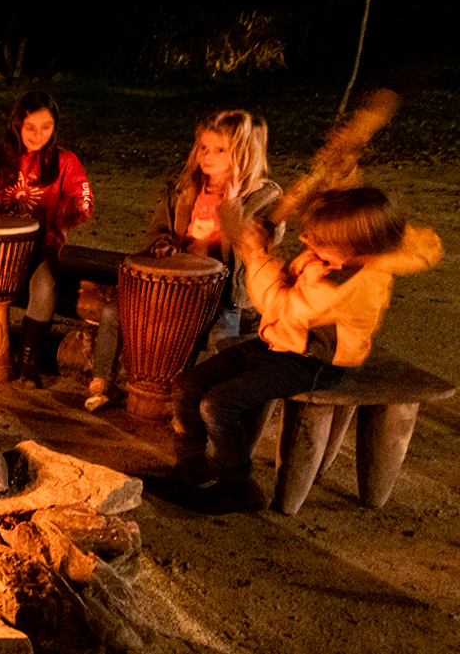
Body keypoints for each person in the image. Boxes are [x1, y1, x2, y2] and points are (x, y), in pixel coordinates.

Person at [157, 188, 442, 514]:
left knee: (217, 405)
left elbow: (280, 305)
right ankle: (193, 471)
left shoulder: (350, 285)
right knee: (188, 386)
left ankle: (237, 486)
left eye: (319, 240)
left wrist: (254, 253)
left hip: (313, 359)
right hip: (279, 340)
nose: (307, 241)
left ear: (355, 249)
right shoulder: (341, 254)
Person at [86, 111, 283, 411]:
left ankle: (212, 406)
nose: (208, 156)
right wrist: (163, 243)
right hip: (176, 286)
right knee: (115, 309)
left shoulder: (262, 198)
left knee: (223, 336)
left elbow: (256, 246)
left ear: (243, 154)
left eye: (220, 150)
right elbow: (158, 230)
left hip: (224, 295)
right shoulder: (184, 189)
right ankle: (103, 382)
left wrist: (231, 207)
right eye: (203, 147)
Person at [0, 91, 93, 385]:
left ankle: (27, 360)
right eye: (30, 127)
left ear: (55, 127)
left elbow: (83, 202)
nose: (38, 134)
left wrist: (67, 211)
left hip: (40, 245)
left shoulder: (66, 162)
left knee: (46, 284)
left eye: (46, 127)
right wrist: (2, 221)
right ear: (16, 125)